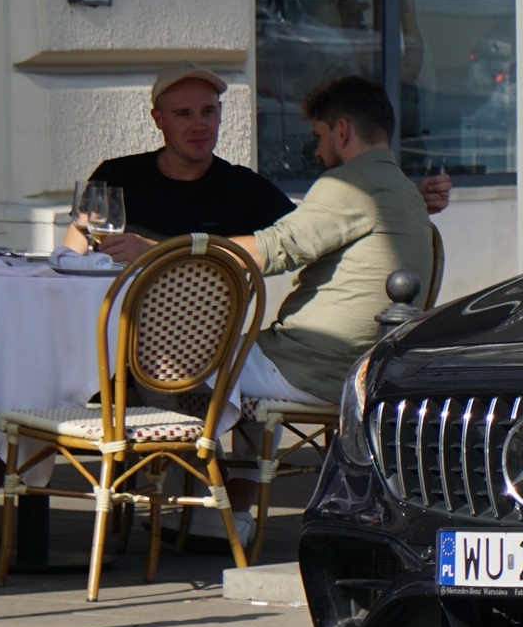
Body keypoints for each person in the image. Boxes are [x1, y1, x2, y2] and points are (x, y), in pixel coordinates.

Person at [105, 75, 436, 547]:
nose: (316, 151)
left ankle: (196, 500)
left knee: (157, 369)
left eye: (319, 137)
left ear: (342, 131)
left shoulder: (349, 184)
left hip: (313, 363)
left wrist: (156, 249)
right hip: (366, 364)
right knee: (236, 366)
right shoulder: (401, 188)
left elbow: (271, 249)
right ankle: (217, 511)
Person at [65, 65, 450, 251]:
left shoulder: (243, 187)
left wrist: (404, 200)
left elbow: (321, 230)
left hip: (201, 346)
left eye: (209, 112)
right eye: (184, 115)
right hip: (106, 326)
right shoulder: (114, 177)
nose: (200, 125)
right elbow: (72, 254)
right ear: (158, 120)